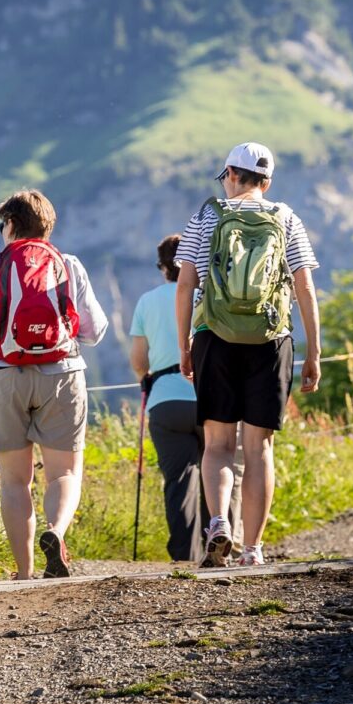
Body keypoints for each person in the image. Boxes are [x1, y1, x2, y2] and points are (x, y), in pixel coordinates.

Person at [0, 189, 108, 579]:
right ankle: (56, 532)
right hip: (62, 374)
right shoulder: (68, 265)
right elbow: (95, 331)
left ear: (12, 225)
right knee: (65, 473)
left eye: (2, 224)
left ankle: (24, 571)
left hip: (2, 377)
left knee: (15, 480)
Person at [174, 142, 322, 568]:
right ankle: (253, 548)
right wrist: (313, 350)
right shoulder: (286, 217)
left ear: (230, 175)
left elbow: (185, 285)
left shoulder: (206, 215)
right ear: (267, 182)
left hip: (214, 336)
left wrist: (185, 343)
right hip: (271, 338)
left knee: (218, 444)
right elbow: (304, 286)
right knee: (259, 447)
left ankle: (219, 522)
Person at [129, 234, 206, 562]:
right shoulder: (206, 294)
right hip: (211, 396)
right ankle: (220, 541)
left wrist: (145, 378)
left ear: (163, 267)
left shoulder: (147, 300)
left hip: (165, 399)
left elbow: (139, 359)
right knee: (220, 470)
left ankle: (183, 556)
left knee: (178, 481)